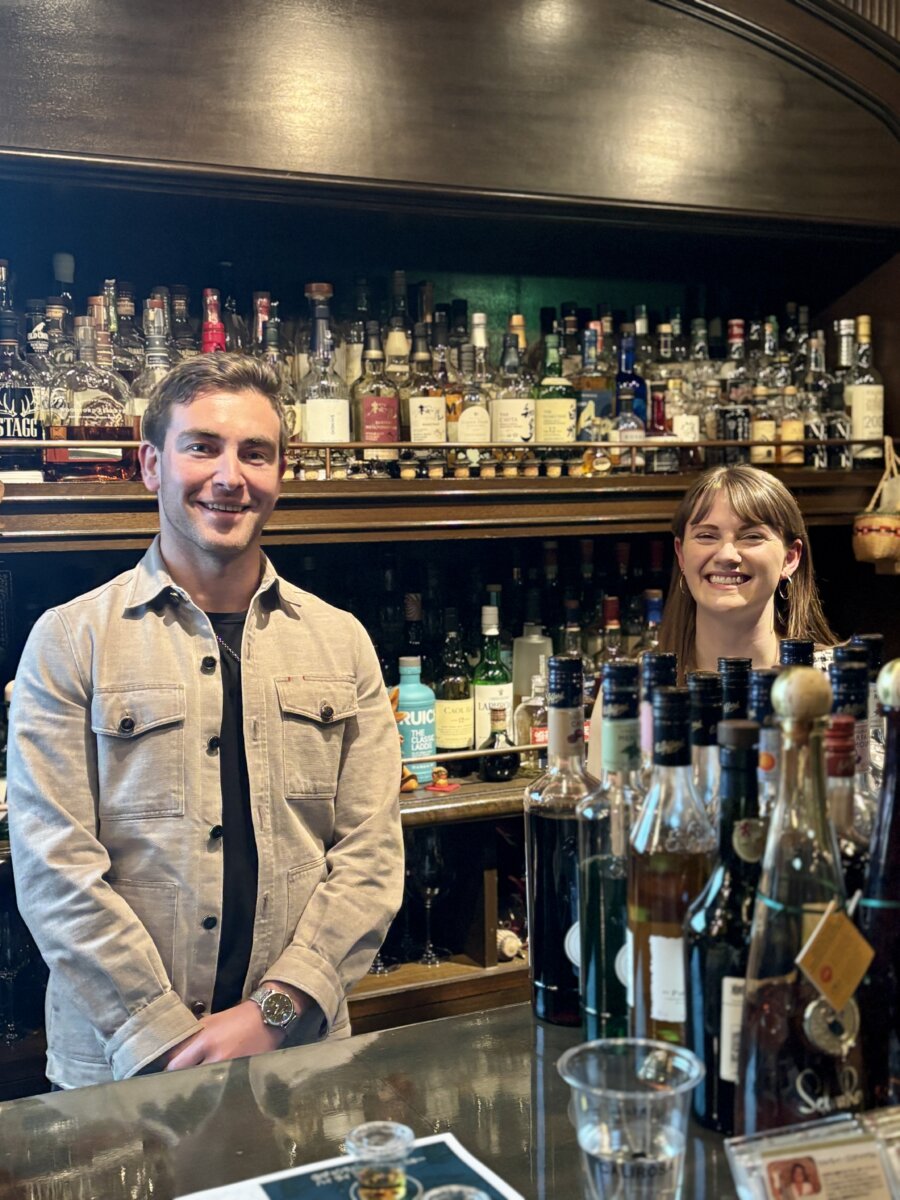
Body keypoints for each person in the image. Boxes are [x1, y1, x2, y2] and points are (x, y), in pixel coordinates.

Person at [7, 354, 403, 1089]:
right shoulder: (70, 640)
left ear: (281, 472)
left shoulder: (341, 641)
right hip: (121, 1072)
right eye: (202, 447)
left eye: (255, 452)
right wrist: (161, 1036)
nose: (230, 476)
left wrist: (274, 1013)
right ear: (151, 465)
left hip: (296, 1058)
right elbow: (54, 869)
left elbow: (371, 858)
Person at [658, 464, 837, 676]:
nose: (727, 555)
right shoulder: (639, 683)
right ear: (681, 554)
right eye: (706, 536)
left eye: (752, 537)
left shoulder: (835, 679)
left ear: (790, 558)